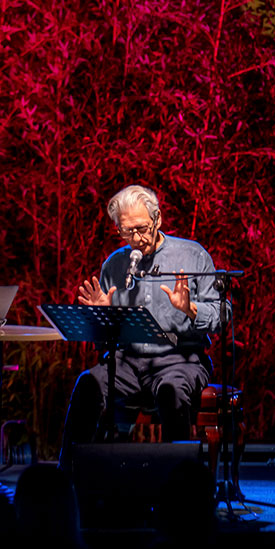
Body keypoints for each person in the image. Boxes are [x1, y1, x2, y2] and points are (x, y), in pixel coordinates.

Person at [61, 185, 222, 457]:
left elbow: (220, 315)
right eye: (127, 231)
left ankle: (178, 482)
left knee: (172, 391)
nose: (136, 238)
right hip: (127, 363)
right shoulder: (114, 265)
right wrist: (102, 317)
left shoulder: (192, 255)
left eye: (142, 228)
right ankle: (67, 480)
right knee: (87, 384)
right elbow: (105, 342)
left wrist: (191, 309)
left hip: (179, 360)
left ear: (157, 218)